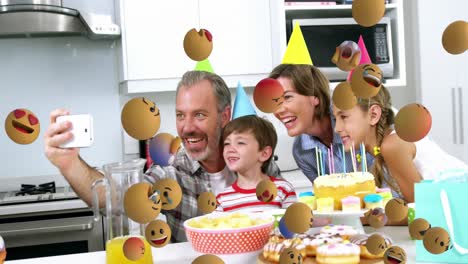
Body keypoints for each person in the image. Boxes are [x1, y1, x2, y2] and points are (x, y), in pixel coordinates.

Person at [44, 71, 282, 242]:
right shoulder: (171, 174)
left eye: (199, 115)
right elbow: (114, 199)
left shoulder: (259, 164)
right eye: (180, 115)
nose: (186, 128)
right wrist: (70, 163)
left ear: (224, 116)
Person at [332, 85, 468, 203]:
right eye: (335, 118)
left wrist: (367, 216)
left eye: (344, 117)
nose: (336, 128)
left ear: (373, 115)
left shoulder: (393, 145)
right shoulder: (375, 153)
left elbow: (422, 209)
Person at [269, 64, 374, 183]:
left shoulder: (359, 122)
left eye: (287, 97)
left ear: (315, 97)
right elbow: (324, 197)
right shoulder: (301, 152)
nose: (278, 110)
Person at [216, 115, 297, 212]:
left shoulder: (283, 190)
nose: (230, 149)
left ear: (264, 153)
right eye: (226, 143)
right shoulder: (222, 200)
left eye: (240, 142)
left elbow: (294, 226)